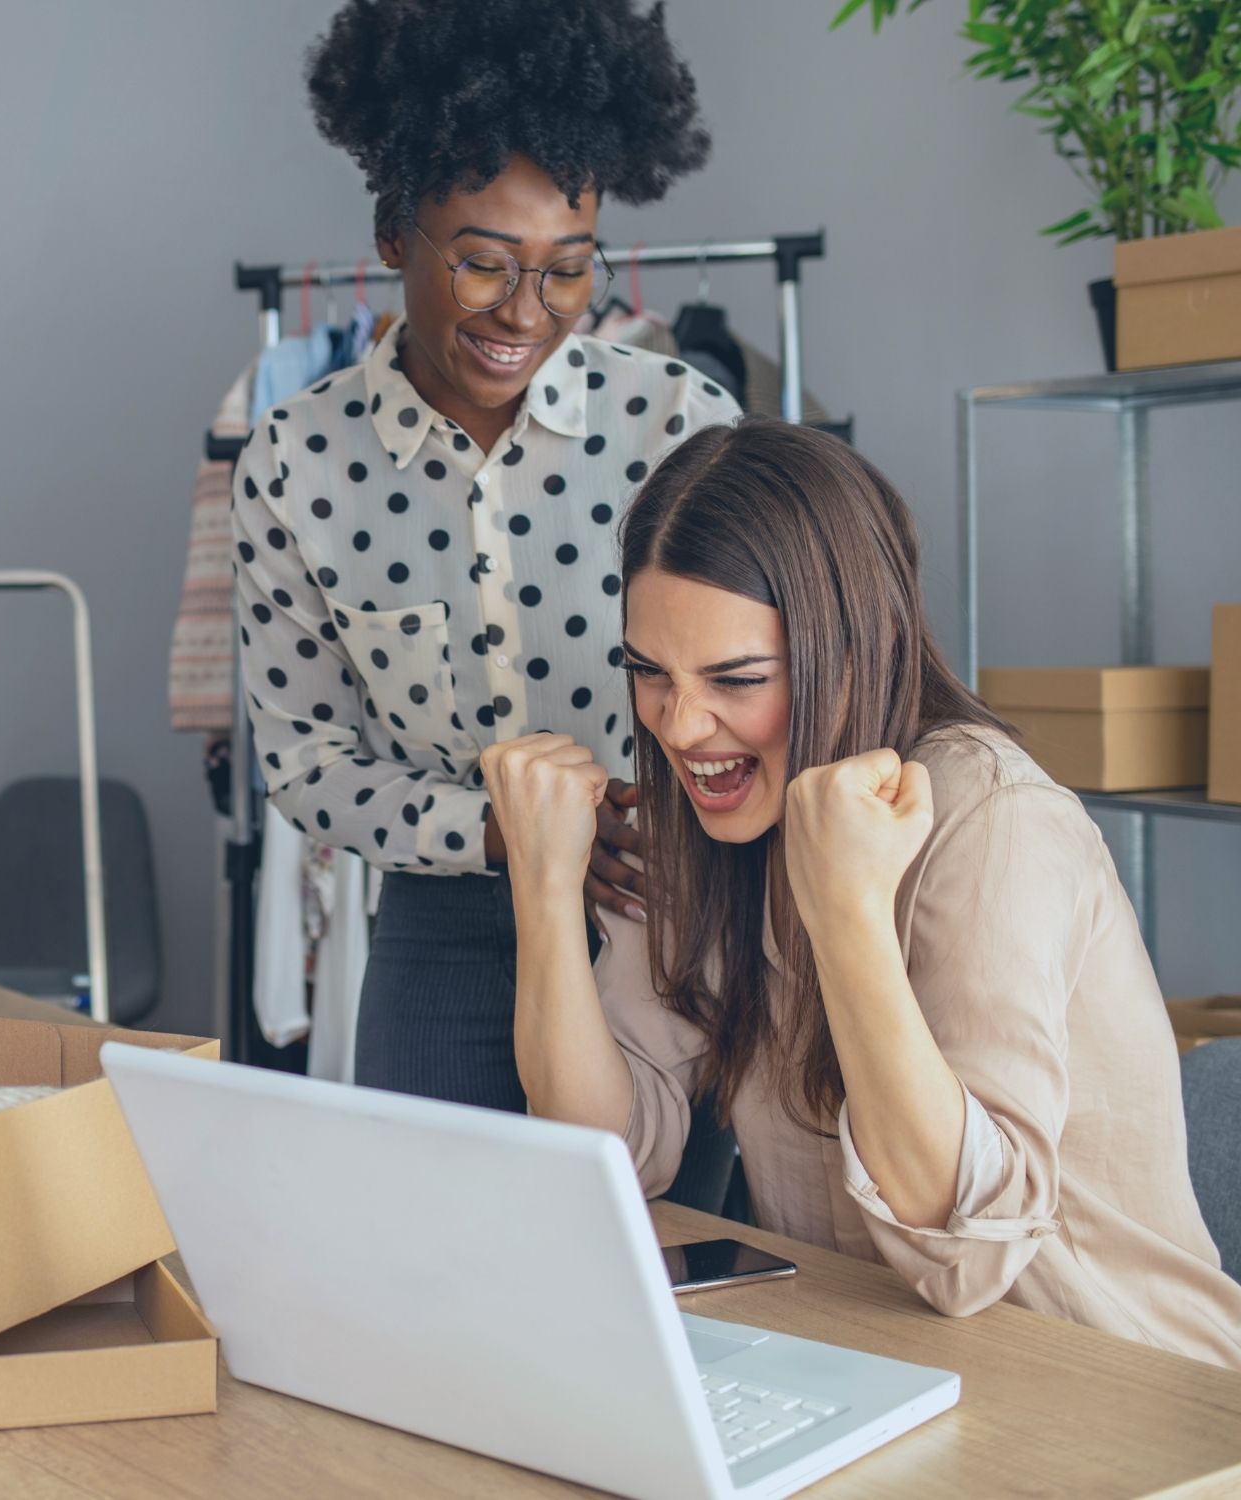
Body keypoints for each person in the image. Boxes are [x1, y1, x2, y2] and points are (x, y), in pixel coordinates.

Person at [483, 418, 1241, 1373]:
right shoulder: (711, 816)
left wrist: (846, 912)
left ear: (862, 642)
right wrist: (544, 889)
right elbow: (604, 1155)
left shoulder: (992, 816)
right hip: (876, 1369)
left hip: (1120, 1393)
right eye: (650, 674)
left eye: (738, 679)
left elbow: (967, 1250)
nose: (682, 726)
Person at [232, 0, 739, 1111]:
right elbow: (305, 759)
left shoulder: (679, 426)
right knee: (432, 1249)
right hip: (445, 922)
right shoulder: (296, 461)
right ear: (389, 237)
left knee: (665, 1256)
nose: (527, 311)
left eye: (567, 271)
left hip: (662, 908)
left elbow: (764, 682)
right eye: (481, 264)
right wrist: (504, 832)